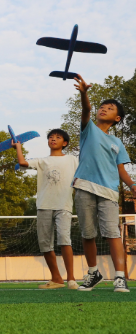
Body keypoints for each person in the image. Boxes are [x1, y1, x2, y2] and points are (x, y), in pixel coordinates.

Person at [72, 75, 135, 292]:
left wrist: (133, 186)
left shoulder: (117, 143)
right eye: (102, 106)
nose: (103, 109)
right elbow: (86, 111)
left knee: (112, 233)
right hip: (84, 187)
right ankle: (93, 273)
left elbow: (121, 170)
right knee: (88, 234)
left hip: (108, 191)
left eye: (109, 108)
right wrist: (84, 94)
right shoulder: (88, 129)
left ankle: (119, 277)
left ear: (117, 119)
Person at [14, 129, 79, 289]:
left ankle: (71, 279)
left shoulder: (72, 159)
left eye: (57, 137)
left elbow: (82, 174)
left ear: (65, 143)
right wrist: (18, 147)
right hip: (43, 205)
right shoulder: (42, 161)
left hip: (63, 205)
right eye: (50, 137)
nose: (53, 139)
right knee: (45, 244)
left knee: (65, 239)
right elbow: (22, 163)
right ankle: (56, 279)